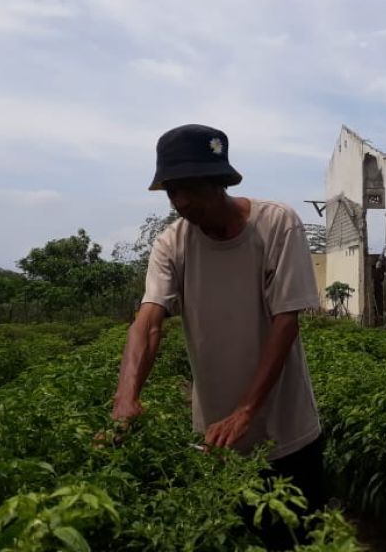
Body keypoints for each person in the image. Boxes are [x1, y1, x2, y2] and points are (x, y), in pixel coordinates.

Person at [111, 123, 325, 545]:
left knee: (297, 540)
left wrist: (246, 410)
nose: (183, 201)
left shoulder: (277, 225)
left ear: (220, 182)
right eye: (173, 191)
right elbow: (149, 322)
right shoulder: (171, 244)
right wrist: (126, 398)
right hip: (217, 444)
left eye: (192, 187)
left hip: (288, 437)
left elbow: (286, 322)